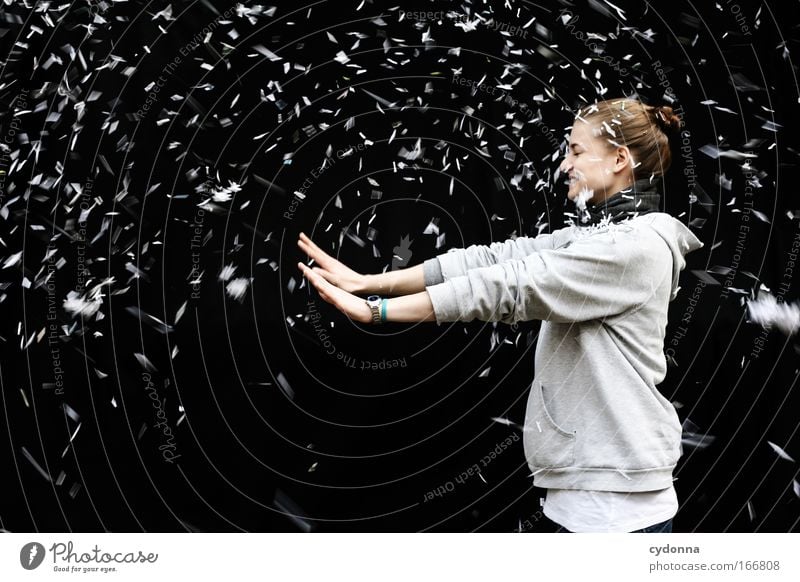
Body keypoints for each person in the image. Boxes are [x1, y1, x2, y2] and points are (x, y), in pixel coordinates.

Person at [296, 97, 704, 533]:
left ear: (620, 159)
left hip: (613, 507)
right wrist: (368, 282)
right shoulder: (596, 238)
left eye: (577, 151)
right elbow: (493, 260)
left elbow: (511, 286)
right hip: (589, 493)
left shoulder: (630, 249)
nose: (564, 165)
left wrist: (378, 313)